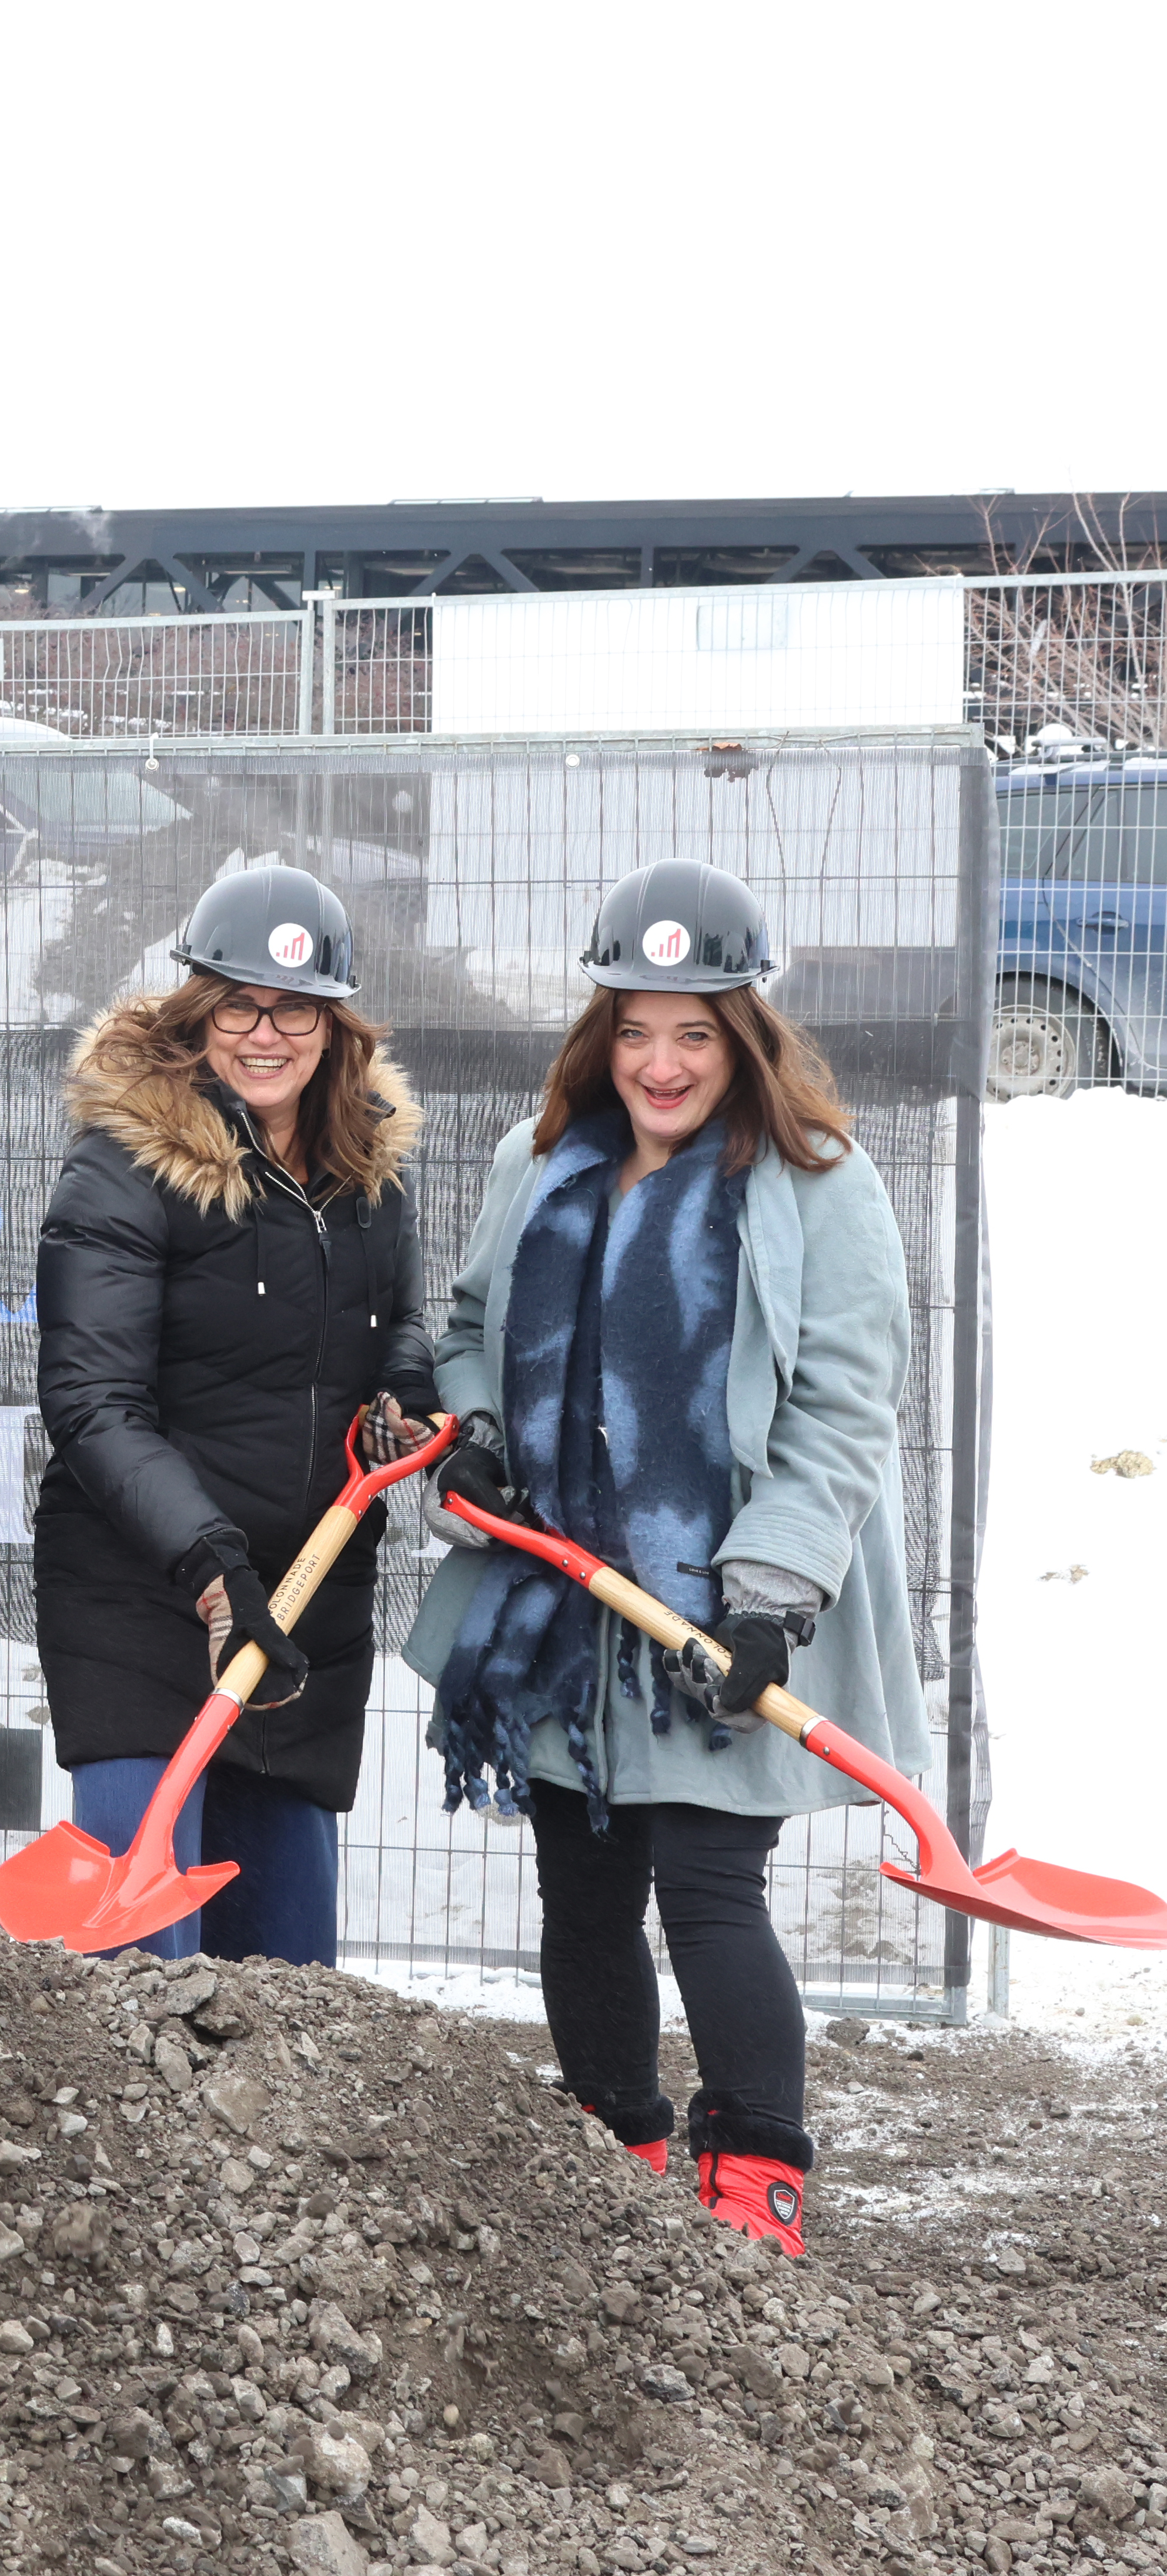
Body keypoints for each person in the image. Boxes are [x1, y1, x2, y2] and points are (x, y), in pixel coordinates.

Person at [410, 857, 917, 2257]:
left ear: (743, 1033)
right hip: (565, 1605)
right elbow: (465, 1327)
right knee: (579, 1890)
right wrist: (474, 1433)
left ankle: (754, 2183)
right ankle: (613, 2147)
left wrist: (772, 1585)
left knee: (705, 1887)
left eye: (693, 1030)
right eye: (633, 1027)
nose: (659, 1059)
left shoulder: (816, 1182)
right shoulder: (539, 1162)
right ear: (600, 1031)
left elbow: (843, 1399)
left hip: (717, 1607)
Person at [29, 862, 439, 1965]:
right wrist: (211, 1572)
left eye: (295, 1009)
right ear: (196, 1009)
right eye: (239, 1006)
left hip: (306, 1596)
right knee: (141, 1966)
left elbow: (399, 1318)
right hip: (144, 1597)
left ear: (335, 1021)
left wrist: (405, 1384)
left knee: (289, 1982)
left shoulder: (368, 1165)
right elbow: (91, 1398)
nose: (267, 1035)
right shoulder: (126, 1162)